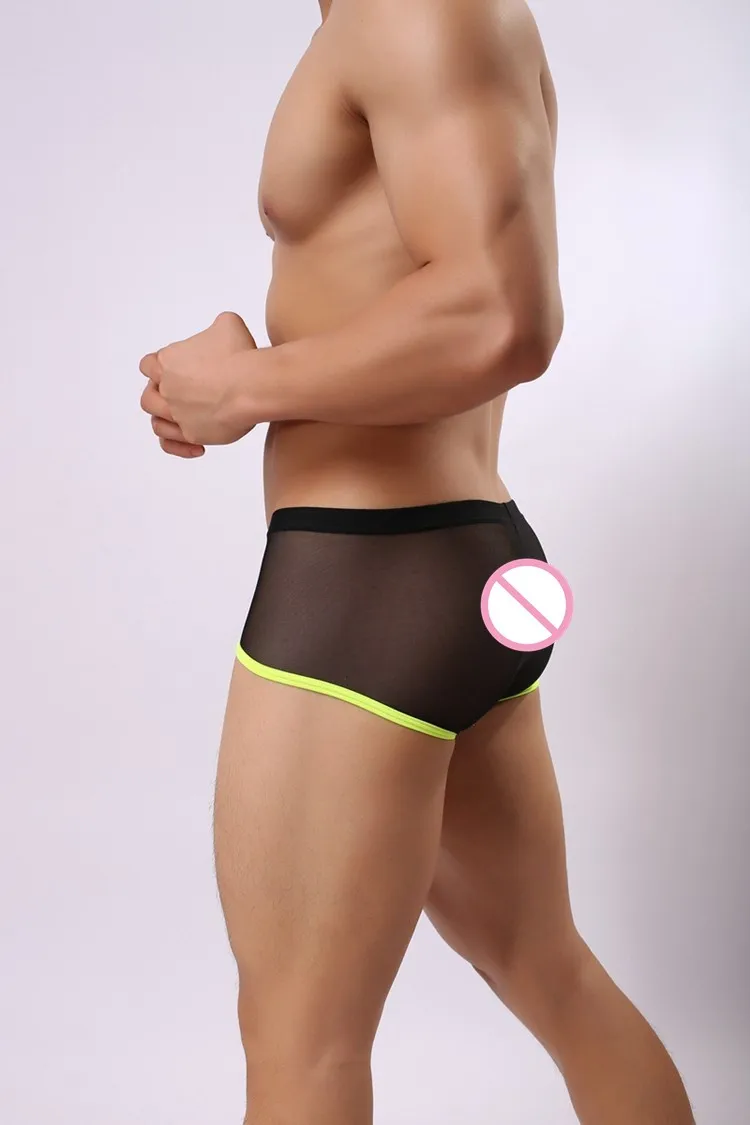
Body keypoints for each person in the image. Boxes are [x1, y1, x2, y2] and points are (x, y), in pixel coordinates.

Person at [139, 1, 696, 1122]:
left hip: (369, 585)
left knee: (300, 1042)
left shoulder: (413, 7)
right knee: (546, 966)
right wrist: (234, 390)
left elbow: (503, 313)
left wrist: (244, 387)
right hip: (453, 564)